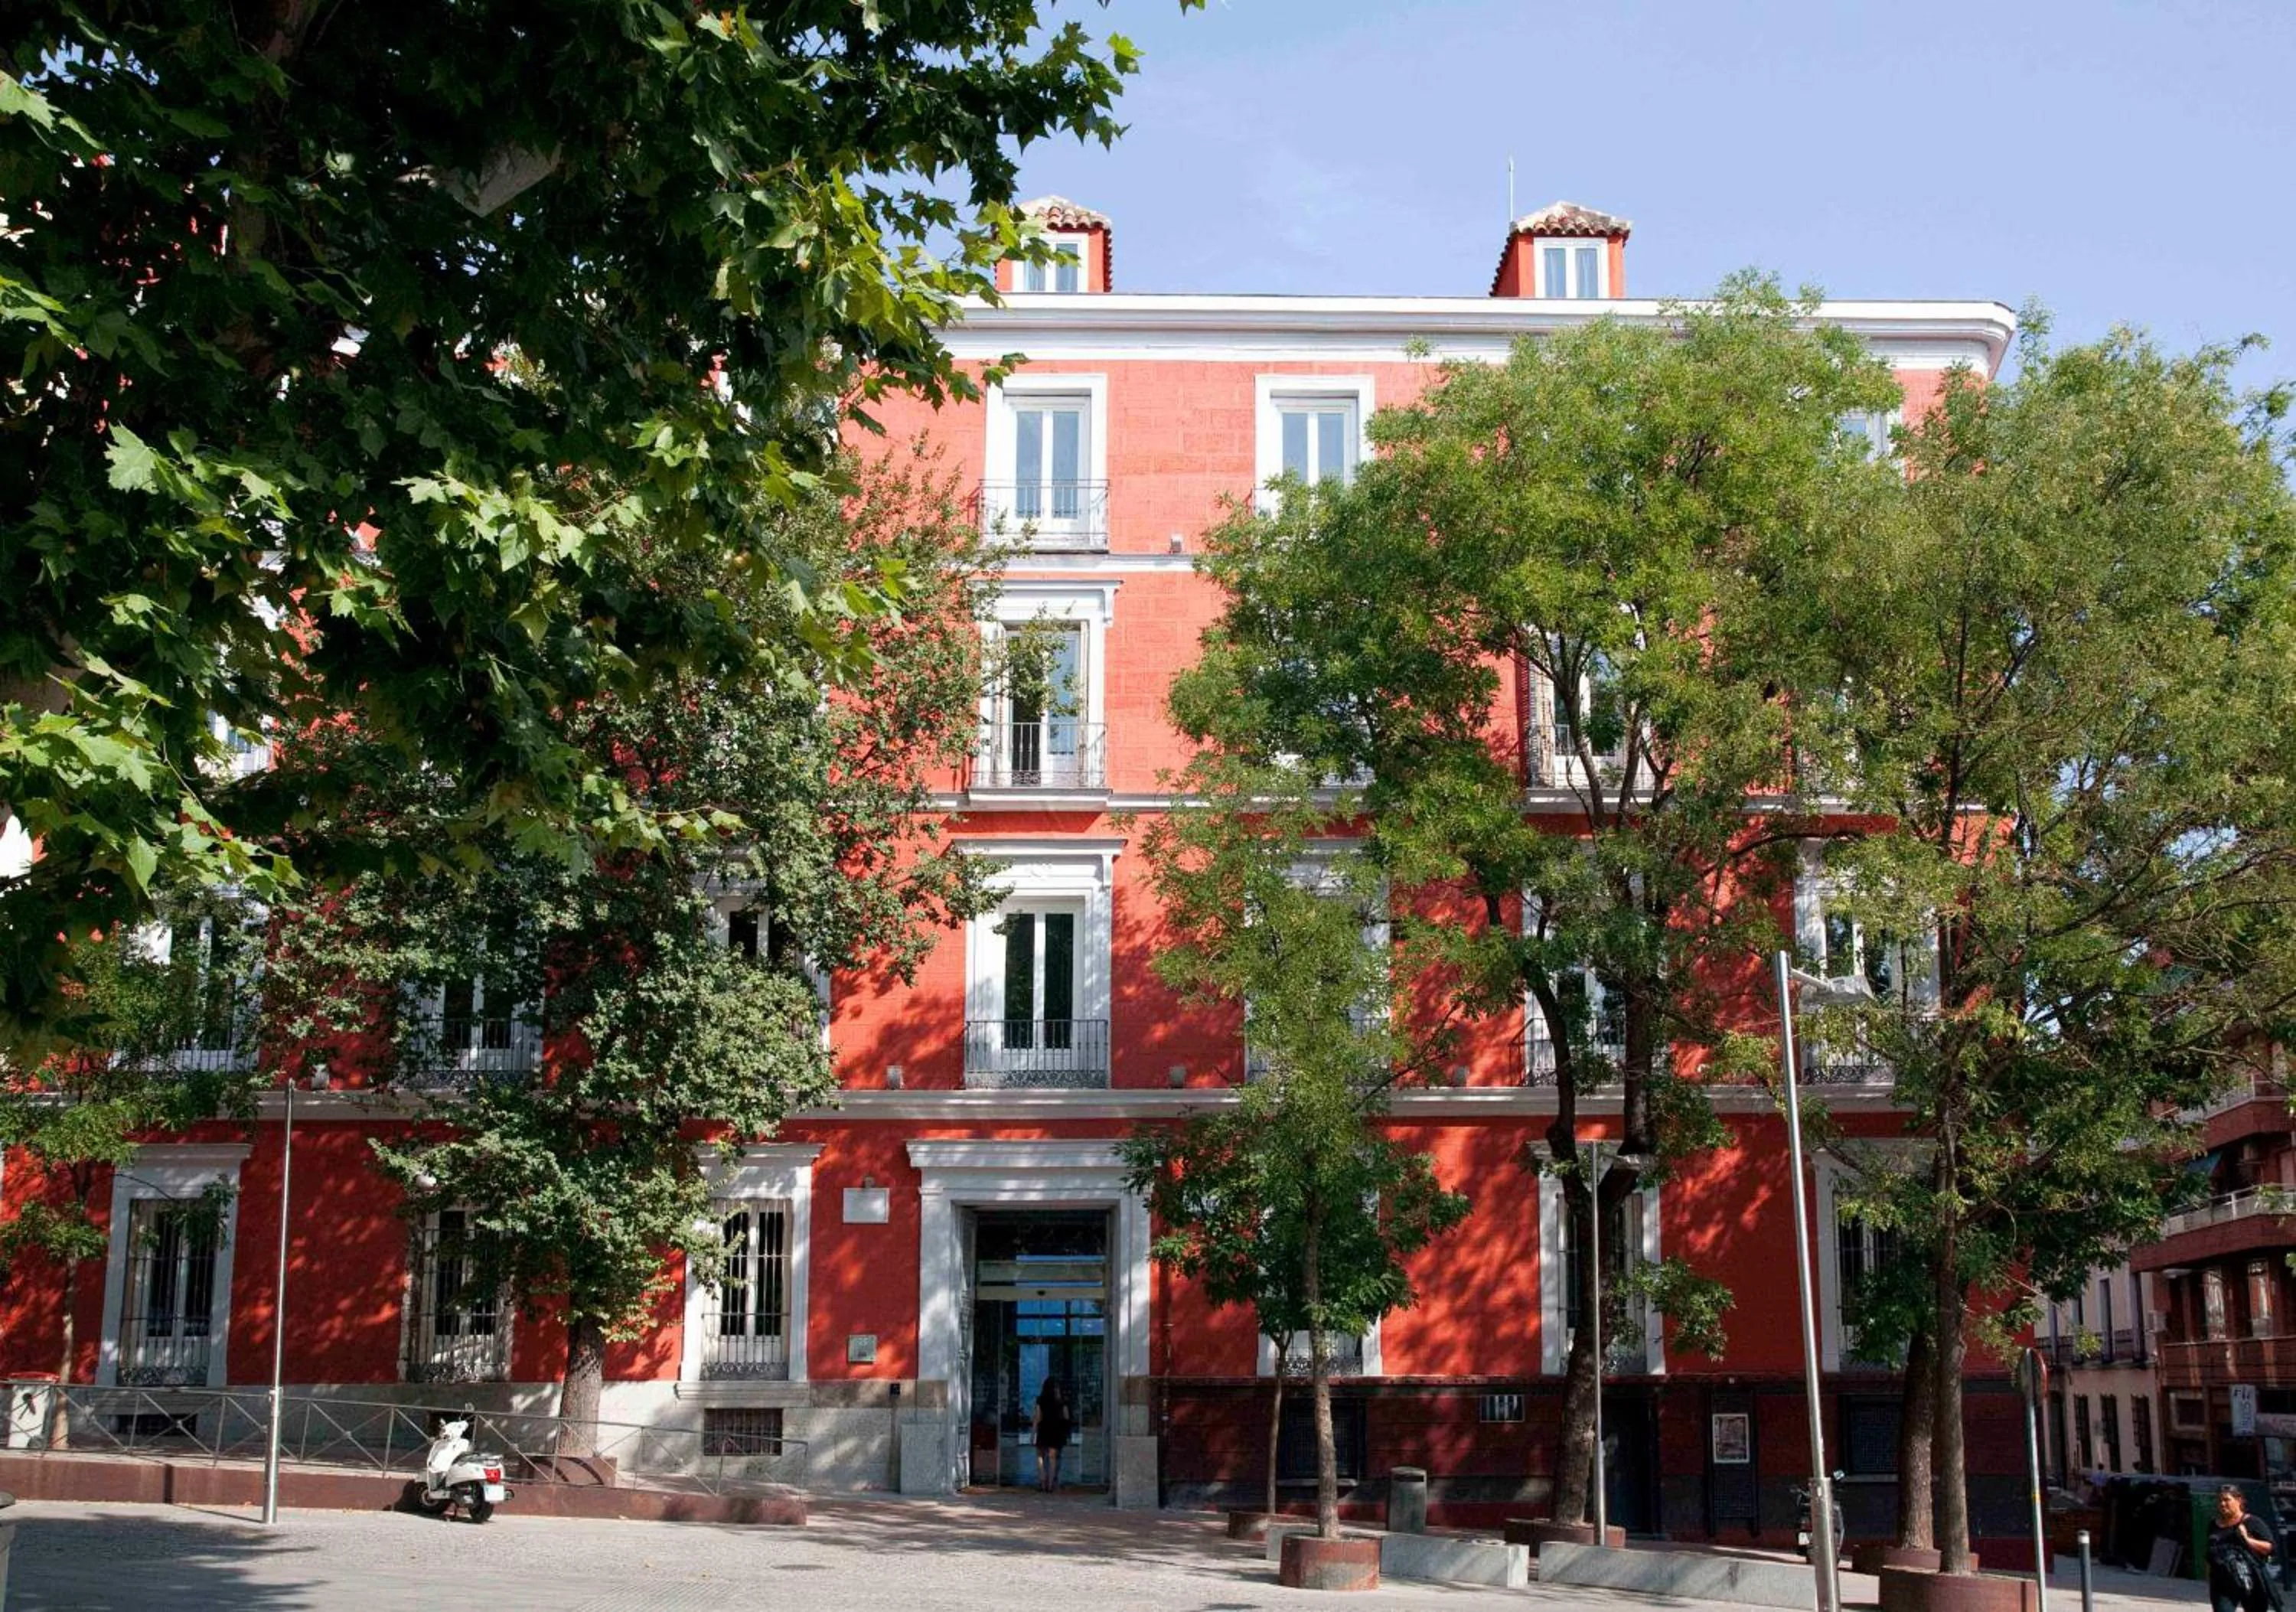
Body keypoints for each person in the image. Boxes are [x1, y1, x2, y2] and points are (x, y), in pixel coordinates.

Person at [2209, 1485, 2281, 1612]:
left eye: (2227, 1500)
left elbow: (2270, 1548)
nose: (2222, 1504)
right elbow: (2210, 1551)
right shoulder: (2214, 1525)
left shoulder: (2253, 1522)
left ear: (2239, 1500)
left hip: (2250, 1579)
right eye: (2220, 1500)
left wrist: (2247, 1539)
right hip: (2222, 1581)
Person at [1032, 1380, 1073, 1493]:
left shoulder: (1041, 1400)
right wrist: (1067, 1434)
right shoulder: (1061, 1402)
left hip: (1043, 1430)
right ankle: (1051, 1484)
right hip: (1056, 1431)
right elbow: (1066, 1418)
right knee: (1053, 1458)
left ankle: (1043, 1480)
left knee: (1040, 1456)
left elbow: (1037, 1417)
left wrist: (1033, 1433)